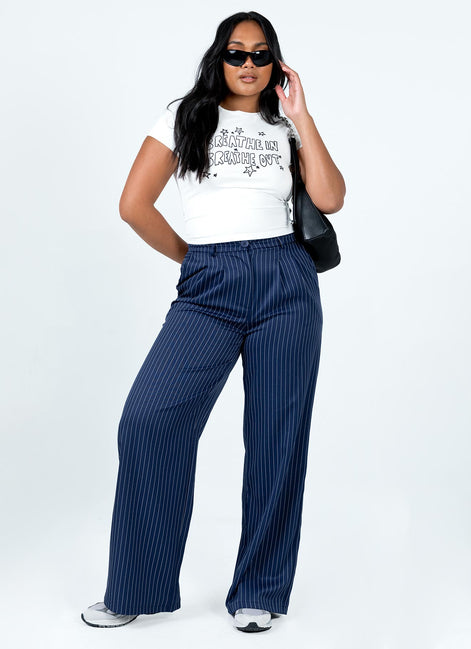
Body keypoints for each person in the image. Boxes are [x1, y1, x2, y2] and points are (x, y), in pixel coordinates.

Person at [81, 10, 346, 634]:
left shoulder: (286, 126)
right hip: (209, 286)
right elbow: (133, 205)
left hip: (286, 281)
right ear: (219, 58)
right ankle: (135, 586)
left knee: (277, 437)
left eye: (261, 54)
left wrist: (303, 115)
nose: (248, 64)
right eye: (236, 53)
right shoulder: (183, 116)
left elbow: (331, 198)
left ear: (276, 63)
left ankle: (259, 589)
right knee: (149, 420)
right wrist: (194, 260)